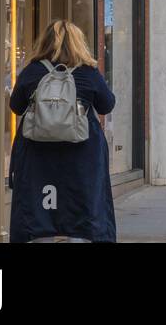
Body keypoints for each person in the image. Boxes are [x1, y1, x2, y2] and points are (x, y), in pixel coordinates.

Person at [8, 20, 116, 243]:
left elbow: (16, 106)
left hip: (38, 156)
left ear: (44, 43)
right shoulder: (88, 72)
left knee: (37, 209)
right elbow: (107, 105)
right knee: (83, 210)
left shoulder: (32, 71)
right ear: (79, 43)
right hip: (82, 156)